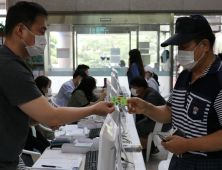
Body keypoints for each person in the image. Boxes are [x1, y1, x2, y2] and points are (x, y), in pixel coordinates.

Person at [0, 2, 114, 169]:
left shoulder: (10, 62)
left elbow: (15, 117)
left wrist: (45, 117)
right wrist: (94, 109)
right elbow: (52, 116)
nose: (43, 39)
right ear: (20, 30)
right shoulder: (10, 67)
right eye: (41, 31)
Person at [128, 14, 222, 170]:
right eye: (178, 48)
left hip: (208, 163)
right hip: (179, 161)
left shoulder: (218, 80)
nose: (180, 53)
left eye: (184, 47)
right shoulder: (185, 75)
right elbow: (170, 111)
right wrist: (146, 108)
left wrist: (187, 145)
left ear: (205, 45)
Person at [130, 76, 171, 158]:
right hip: (156, 120)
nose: (132, 89)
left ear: (141, 88)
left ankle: (145, 151)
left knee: (139, 127)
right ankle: (151, 147)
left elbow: (146, 112)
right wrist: (115, 101)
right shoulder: (142, 93)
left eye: (133, 87)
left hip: (164, 123)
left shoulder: (151, 96)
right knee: (138, 122)